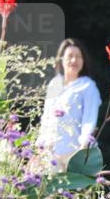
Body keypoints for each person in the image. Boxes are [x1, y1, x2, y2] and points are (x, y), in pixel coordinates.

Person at [37, 38, 101, 171]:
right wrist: (40, 147)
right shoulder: (54, 84)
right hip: (51, 154)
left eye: (78, 57)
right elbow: (46, 119)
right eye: (70, 56)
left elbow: (89, 119)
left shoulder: (87, 86)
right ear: (61, 59)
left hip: (75, 153)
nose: (74, 60)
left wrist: (83, 149)